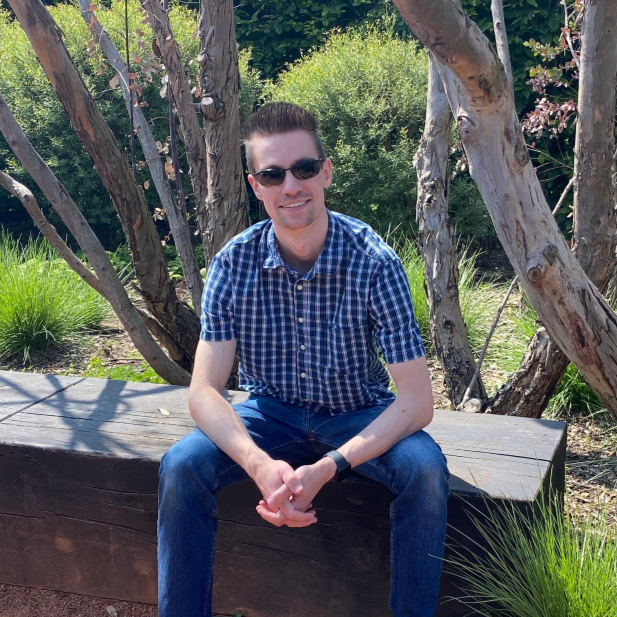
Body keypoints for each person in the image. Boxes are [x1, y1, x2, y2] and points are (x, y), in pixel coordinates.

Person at [157, 102, 450, 617]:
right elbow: (203, 391)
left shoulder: (374, 262)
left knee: (424, 472)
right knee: (181, 466)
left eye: (304, 169)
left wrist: (329, 467)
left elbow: (416, 402)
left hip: (357, 411)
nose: (290, 186)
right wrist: (259, 464)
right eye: (273, 174)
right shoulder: (233, 264)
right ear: (256, 186)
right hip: (268, 412)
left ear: (326, 172)